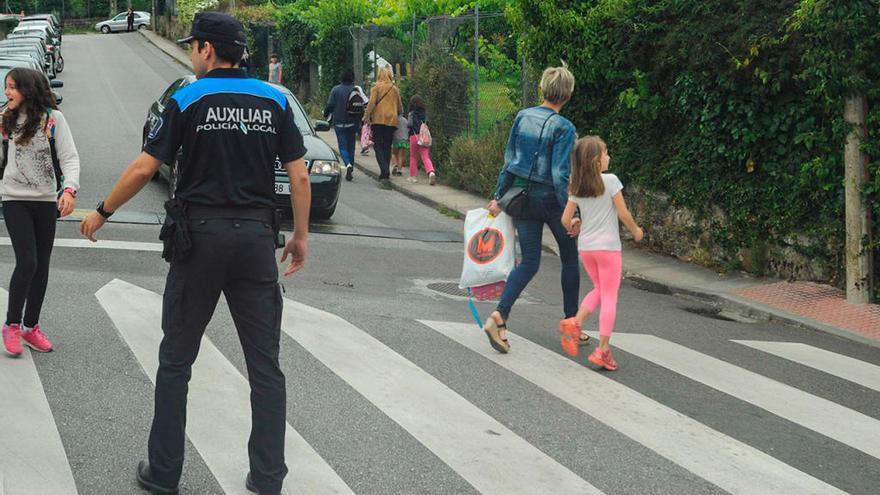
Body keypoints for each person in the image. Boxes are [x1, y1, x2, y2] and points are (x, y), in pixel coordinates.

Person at [79, 12, 310, 495]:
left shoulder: (186, 96)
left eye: (193, 46)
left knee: (176, 361)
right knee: (265, 366)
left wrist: (102, 210)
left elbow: (146, 168)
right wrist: (301, 235)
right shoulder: (276, 100)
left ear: (208, 49)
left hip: (199, 241)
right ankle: (268, 478)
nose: (190, 54)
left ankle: (164, 474)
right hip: (254, 242)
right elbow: (300, 175)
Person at [483, 65, 579, 354]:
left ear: (541, 88)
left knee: (529, 262)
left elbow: (509, 160)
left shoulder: (523, 117)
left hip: (522, 199)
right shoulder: (565, 128)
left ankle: (499, 315)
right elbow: (560, 174)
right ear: (569, 94)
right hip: (551, 201)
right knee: (570, 258)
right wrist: (571, 213)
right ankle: (571, 324)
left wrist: (499, 197)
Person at [1, 68, 79, 357]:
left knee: (42, 265)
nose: (7, 92)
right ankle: (11, 325)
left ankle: (30, 327)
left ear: (28, 89)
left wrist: (69, 189)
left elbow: (69, 157)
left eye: (12, 87)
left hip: (46, 201)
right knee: (28, 261)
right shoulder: (4, 121)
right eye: (5, 87)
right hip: (14, 199)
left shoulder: (52, 120)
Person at [559, 136, 643, 370]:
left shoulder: (577, 185)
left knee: (600, 289)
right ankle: (602, 349)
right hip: (607, 248)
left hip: (586, 248)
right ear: (597, 160)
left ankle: (575, 322)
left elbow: (565, 219)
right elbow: (623, 212)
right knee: (609, 296)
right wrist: (636, 230)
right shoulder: (611, 181)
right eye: (606, 153)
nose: (609, 157)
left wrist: (575, 224)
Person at [362, 67, 402, 185]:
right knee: (387, 145)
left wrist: (366, 116)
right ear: (390, 76)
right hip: (391, 121)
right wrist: (398, 113)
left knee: (378, 145)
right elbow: (400, 106)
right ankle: (385, 172)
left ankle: (384, 169)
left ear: (379, 76)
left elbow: (371, 103)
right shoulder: (395, 89)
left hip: (378, 120)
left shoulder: (375, 88)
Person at [324, 69, 365, 181]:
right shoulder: (356, 90)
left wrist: (325, 114)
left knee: (342, 146)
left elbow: (330, 105)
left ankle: (347, 164)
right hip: (353, 122)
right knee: (351, 146)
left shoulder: (335, 90)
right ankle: (350, 165)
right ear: (353, 78)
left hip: (339, 122)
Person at [406, 95, 435, 185]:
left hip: (414, 136)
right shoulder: (425, 114)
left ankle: (413, 176)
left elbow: (409, 125)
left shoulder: (411, 113)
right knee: (425, 156)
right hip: (424, 137)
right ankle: (431, 172)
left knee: (413, 156)